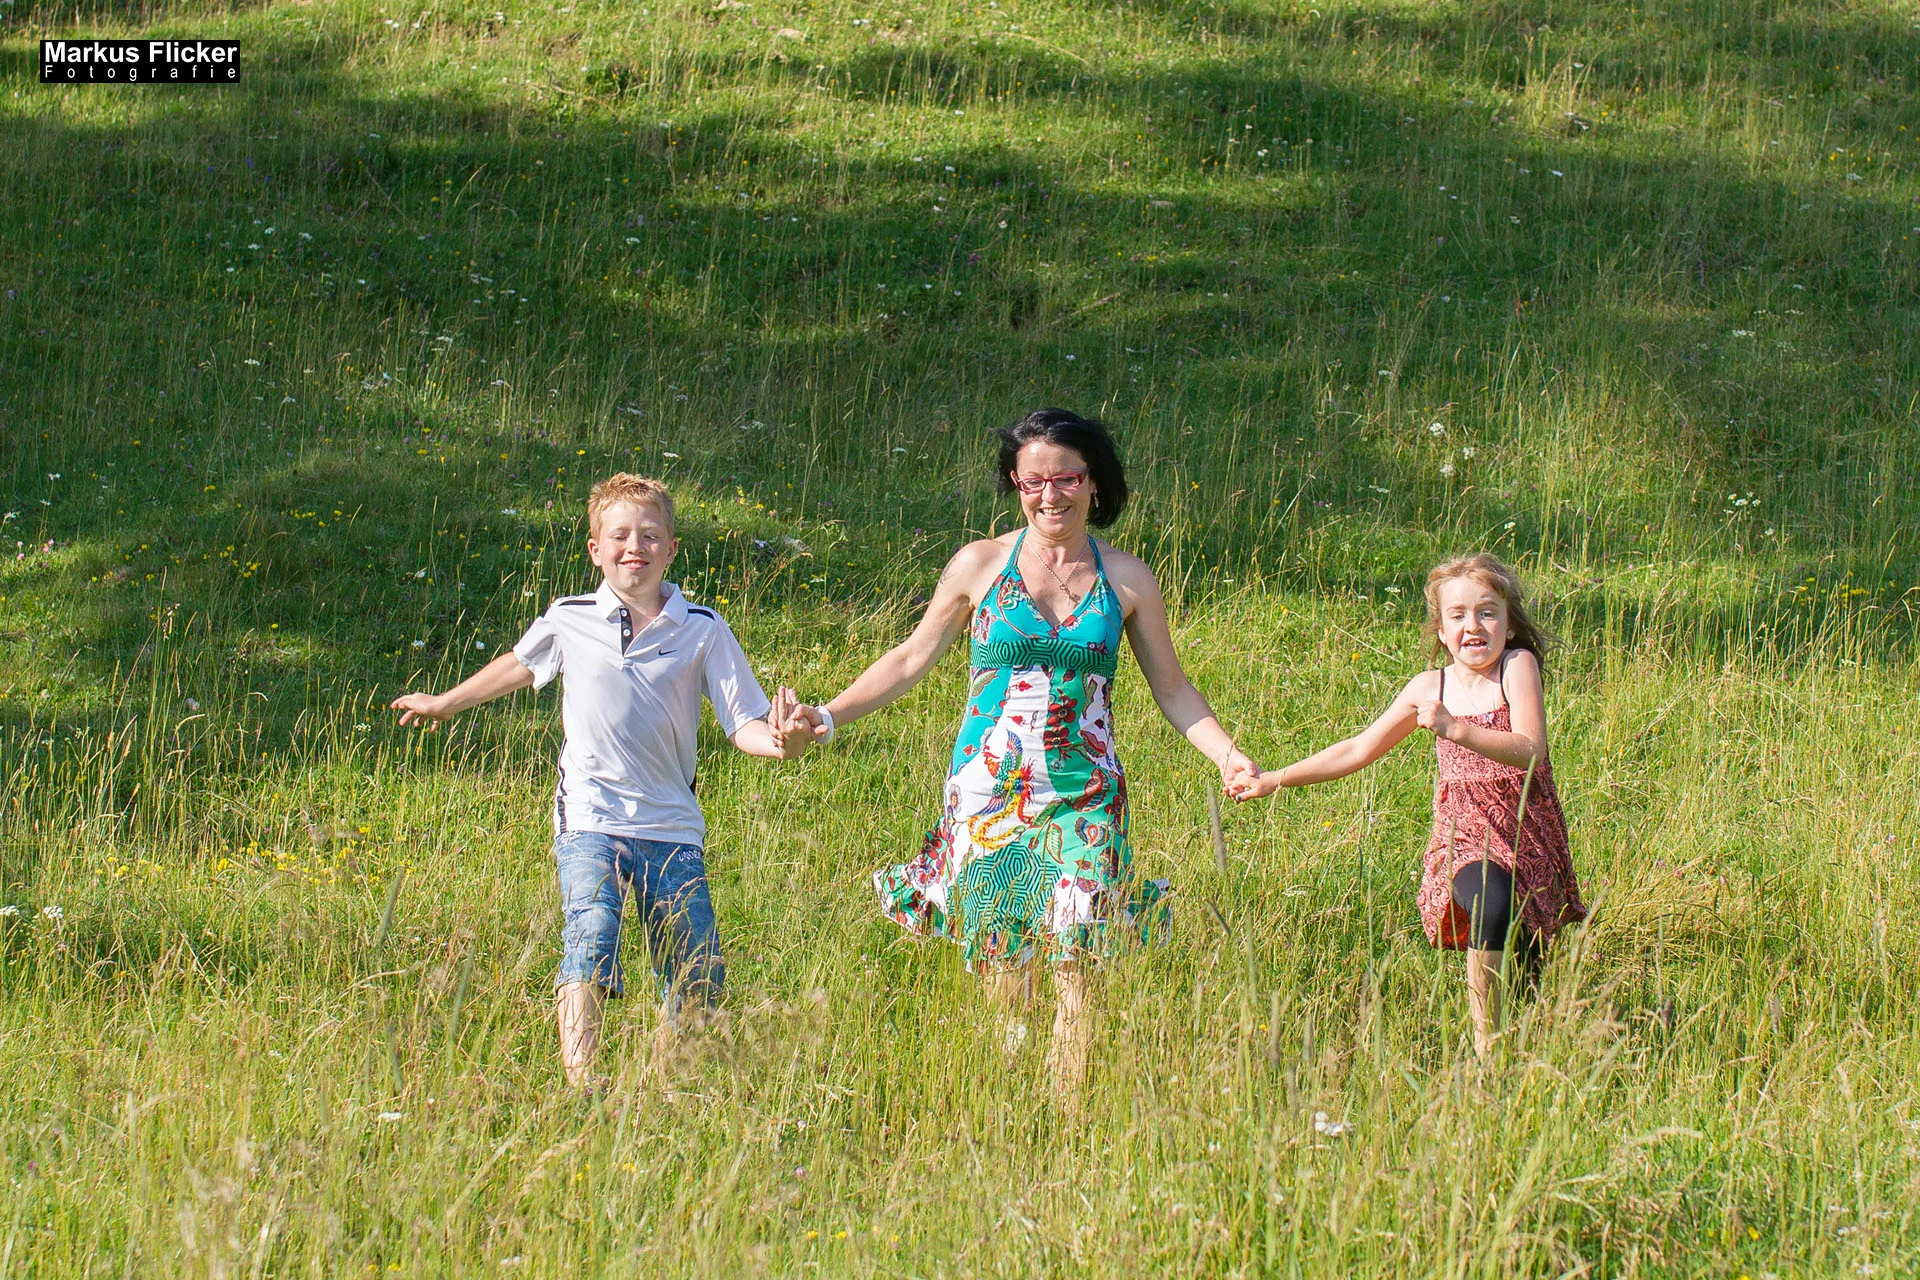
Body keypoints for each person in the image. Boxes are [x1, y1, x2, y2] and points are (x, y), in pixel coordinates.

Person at [779, 409, 1259, 1104]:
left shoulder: (1127, 579)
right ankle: (1010, 1098)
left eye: (1065, 478)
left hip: (1086, 792)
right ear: (1014, 483)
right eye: (1032, 480)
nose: (1050, 495)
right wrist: (825, 715)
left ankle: (1067, 1115)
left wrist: (1226, 755)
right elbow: (912, 658)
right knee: (1007, 968)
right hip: (987, 793)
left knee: (1077, 955)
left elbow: (1174, 689)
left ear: (1093, 483)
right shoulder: (980, 564)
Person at [391, 473, 812, 1089]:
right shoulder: (571, 618)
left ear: (671, 548)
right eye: (618, 535)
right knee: (590, 936)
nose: (632, 546)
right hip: (589, 817)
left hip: (671, 825)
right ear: (595, 548)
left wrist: (783, 742)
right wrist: (447, 703)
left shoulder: (702, 627)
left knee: (696, 968)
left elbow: (743, 722)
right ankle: (583, 1088)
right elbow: (517, 664)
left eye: (649, 535)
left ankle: (670, 1087)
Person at [1232, 553, 1586, 1058]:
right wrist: (1277, 778)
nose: (1473, 626)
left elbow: (1532, 748)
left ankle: (1528, 1044)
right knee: (1491, 905)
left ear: (1508, 625)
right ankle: (1488, 1052)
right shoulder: (1429, 687)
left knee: (1526, 965)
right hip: (1466, 833)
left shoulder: (1516, 666)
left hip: (1529, 833)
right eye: (1458, 615)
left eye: (1487, 612)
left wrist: (1457, 730)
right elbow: (1358, 748)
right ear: (1441, 631)